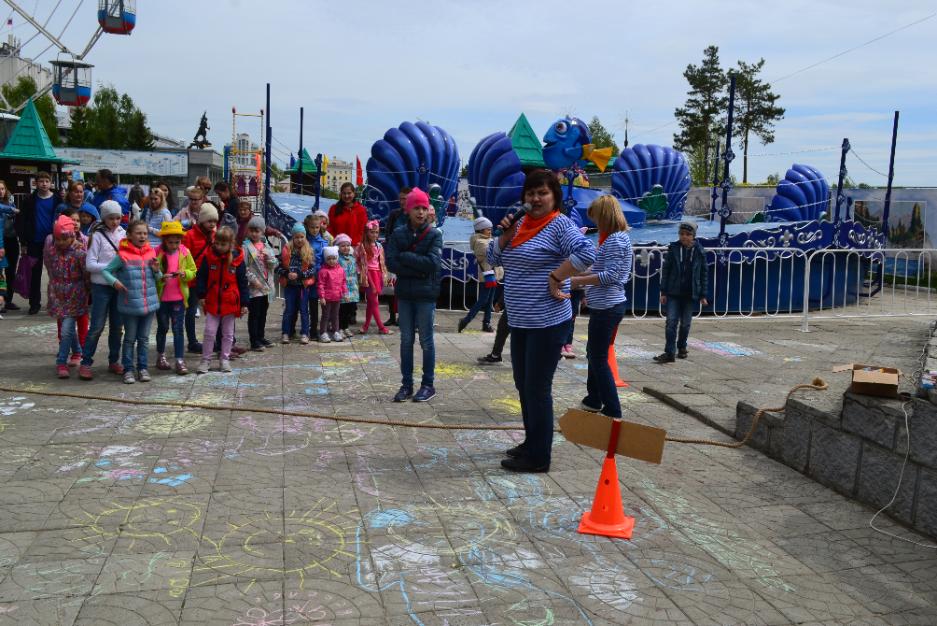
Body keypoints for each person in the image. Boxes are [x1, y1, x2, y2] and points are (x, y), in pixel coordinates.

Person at [489, 169, 596, 472]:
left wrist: (557, 275)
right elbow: (494, 259)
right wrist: (506, 232)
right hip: (520, 321)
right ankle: (531, 442)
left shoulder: (559, 225)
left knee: (537, 388)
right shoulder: (521, 223)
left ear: (554, 197)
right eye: (531, 193)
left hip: (547, 321)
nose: (535, 199)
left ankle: (539, 457)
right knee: (524, 385)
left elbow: (587, 250)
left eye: (542, 193)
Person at [569, 196, 634, 418]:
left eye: (596, 217)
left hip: (608, 306)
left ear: (605, 216)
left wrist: (577, 281)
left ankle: (611, 407)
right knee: (594, 353)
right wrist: (576, 274)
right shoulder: (615, 239)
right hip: (605, 305)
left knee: (597, 357)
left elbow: (610, 275)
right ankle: (593, 398)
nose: (595, 222)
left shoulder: (615, 240)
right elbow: (599, 268)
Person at [386, 188, 442, 403]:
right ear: (408, 210)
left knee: (426, 341)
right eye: (416, 208)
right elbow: (391, 262)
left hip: (426, 294)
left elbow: (433, 264)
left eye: (424, 208)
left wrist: (406, 257)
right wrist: (417, 267)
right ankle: (406, 384)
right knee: (406, 340)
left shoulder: (434, 234)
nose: (420, 212)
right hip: (406, 294)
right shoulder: (399, 234)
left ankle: (428, 384)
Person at [102, 220, 161, 384]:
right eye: (138, 233)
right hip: (130, 305)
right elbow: (106, 271)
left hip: (149, 305)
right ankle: (128, 369)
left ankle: (142, 368)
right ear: (129, 235)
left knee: (144, 339)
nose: (142, 236)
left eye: (144, 233)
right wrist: (114, 282)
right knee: (129, 339)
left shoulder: (151, 253)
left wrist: (157, 271)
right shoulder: (122, 255)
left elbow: (159, 278)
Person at [79, 201, 127, 380]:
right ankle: (86, 362)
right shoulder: (97, 235)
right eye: (111, 218)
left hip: (118, 286)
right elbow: (90, 264)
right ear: (104, 218)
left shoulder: (124, 234)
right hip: (101, 287)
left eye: (118, 218)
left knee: (117, 327)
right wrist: (112, 267)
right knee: (97, 326)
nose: (115, 222)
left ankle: (114, 360)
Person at [654, 221, 709, 363]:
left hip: (690, 294)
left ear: (693, 236)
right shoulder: (673, 249)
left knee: (685, 324)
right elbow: (666, 270)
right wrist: (663, 291)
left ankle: (682, 346)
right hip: (673, 293)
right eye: (682, 234)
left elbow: (703, 273)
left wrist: (703, 294)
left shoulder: (699, 251)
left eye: (688, 234)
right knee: (671, 322)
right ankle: (669, 352)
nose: (684, 237)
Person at [195, 226, 248, 373]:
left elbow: (243, 282)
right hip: (212, 300)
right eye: (217, 243)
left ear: (230, 244)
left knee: (228, 333)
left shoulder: (237, 260)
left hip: (230, 302)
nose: (219, 246)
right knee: (209, 332)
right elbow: (201, 277)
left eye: (223, 244)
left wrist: (244, 303)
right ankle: (205, 360)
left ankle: (224, 359)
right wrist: (201, 295)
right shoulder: (209, 256)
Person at [44, 216, 88, 378]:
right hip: (58, 295)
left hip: (76, 295)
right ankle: (75, 352)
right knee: (68, 329)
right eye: (57, 239)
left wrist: (87, 292)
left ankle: (61, 361)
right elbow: (49, 268)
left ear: (72, 236)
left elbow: (86, 274)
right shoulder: (51, 251)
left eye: (64, 239)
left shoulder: (79, 253)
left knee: (67, 330)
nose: (61, 242)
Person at [154, 221, 197, 375]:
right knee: (163, 327)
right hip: (162, 299)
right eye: (170, 242)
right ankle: (161, 356)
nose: (173, 245)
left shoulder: (185, 252)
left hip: (178, 297)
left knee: (178, 329)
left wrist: (185, 274)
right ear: (164, 240)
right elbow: (151, 273)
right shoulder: (157, 252)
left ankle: (179, 359)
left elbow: (193, 270)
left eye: (176, 242)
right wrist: (160, 277)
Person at [15, 171, 57, 314]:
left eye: (46, 181)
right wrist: (24, 242)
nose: (44, 184)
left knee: (57, 272)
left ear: (51, 183)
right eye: (41, 181)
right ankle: (34, 303)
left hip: (54, 243)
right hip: (34, 242)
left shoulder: (57, 199)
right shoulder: (29, 200)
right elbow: (22, 222)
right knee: (35, 274)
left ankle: (57, 302)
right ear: (35, 183)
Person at [182, 203, 218, 352]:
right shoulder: (190, 236)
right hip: (193, 280)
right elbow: (184, 258)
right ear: (202, 220)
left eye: (214, 221)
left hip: (210, 280)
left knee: (213, 310)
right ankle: (192, 342)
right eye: (209, 221)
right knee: (191, 312)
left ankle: (216, 339)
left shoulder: (215, 236)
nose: (212, 224)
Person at [458, 217, 500, 333]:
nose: (490, 232)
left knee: (489, 300)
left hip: (493, 273)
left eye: (491, 229)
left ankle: (486, 323)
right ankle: (466, 320)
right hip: (487, 275)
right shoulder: (480, 242)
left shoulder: (488, 239)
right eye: (488, 230)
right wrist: (501, 238)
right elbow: (492, 251)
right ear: (481, 230)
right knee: (483, 300)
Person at [277, 222, 316, 344]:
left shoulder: (308, 251)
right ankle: (286, 333)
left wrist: (299, 274)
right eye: (296, 237)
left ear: (305, 237)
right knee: (289, 310)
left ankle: (305, 333)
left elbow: (312, 270)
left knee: (304, 310)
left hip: (303, 287)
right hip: (290, 286)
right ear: (292, 237)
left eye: (302, 237)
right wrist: (286, 273)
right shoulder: (286, 251)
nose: (299, 239)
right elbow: (277, 267)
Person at [242, 215, 277, 350]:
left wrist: (270, 260)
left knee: (263, 313)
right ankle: (254, 340)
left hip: (266, 286)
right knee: (254, 314)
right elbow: (243, 267)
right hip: (254, 287)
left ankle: (261, 336)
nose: (254, 233)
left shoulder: (266, 244)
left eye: (257, 231)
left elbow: (274, 264)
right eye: (252, 230)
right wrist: (253, 280)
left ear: (262, 232)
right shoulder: (245, 247)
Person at [357, 220, 391, 335]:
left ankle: (366, 326)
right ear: (366, 233)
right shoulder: (362, 246)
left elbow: (381, 263)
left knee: (371, 303)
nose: (375, 235)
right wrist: (371, 283)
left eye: (376, 232)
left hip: (378, 275)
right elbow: (363, 265)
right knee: (374, 302)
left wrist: (383, 276)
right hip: (369, 275)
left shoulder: (379, 245)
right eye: (372, 232)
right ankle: (381, 327)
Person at [317, 246, 347, 343]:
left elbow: (343, 282)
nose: (331, 261)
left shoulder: (341, 270)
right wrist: (322, 297)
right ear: (325, 259)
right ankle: (323, 332)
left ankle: (336, 331)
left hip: (337, 297)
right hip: (327, 298)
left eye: (334, 258)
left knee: (335, 315)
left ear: (337, 258)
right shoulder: (323, 271)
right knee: (325, 316)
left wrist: (344, 293)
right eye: (329, 259)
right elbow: (320, 285)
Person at [334, 233, 359, 338]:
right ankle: (339, 328)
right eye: (343, 245)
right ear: (338, 247)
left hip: (352, 288)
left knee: (350, 309)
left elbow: (355, 271)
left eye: (348, 245)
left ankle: (345, 327)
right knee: (342, 310)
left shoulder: (352, 258)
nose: (346, 248)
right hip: (342, 288)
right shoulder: (337, 259)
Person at [0, 180, 19, 311]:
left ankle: (8, 300)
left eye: (2, 189)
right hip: (1, 242)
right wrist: (13, 210)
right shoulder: (8, 207)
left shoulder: (11, 203)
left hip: (11, 240)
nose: (0, 191)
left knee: (11, 272)